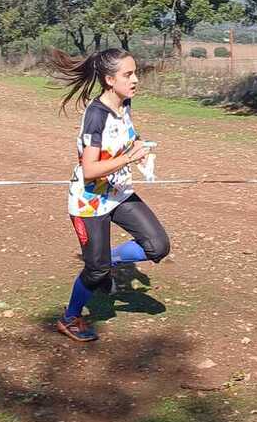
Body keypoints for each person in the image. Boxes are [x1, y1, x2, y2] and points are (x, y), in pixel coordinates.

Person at [48, 48, 170, 343]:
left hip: (118, 193)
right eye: (128, 75)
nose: (136, 80)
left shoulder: (124, 104)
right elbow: (89, 170)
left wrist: (139, 149)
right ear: (108, 79)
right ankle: (70, 318)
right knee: (94, 270)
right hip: (89, 201)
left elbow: (128, 135)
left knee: (158, 246)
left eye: (135, 73)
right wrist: (128, 159)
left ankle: (109, 261)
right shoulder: (95, 116)